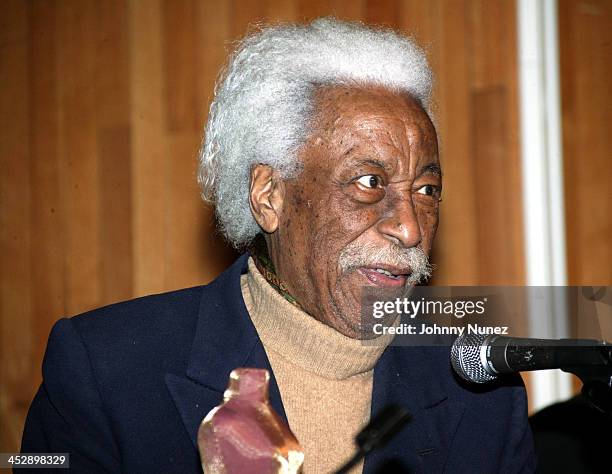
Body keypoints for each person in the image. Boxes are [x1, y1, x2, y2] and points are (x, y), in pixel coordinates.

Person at [21, 18, 535, 473]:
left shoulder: (480, 386)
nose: (410, 229)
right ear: (270, 196)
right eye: (368, 182)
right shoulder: (106, 368)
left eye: (426, 191)